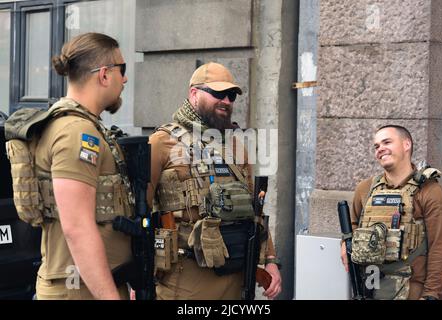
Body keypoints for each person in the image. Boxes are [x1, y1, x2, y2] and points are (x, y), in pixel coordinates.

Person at [7, 33, 133, 299]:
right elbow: (77, 227)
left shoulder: (79, 125)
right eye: (122, 70)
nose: (125, 79)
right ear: (104, 75)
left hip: (87, 286)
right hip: (79, 290)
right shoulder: (77, 132)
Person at [147, 62, 282, 299]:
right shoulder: (162, 142)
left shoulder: (235, 145)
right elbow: (140, 210)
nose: (227, 101)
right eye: (218, 93)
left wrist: (270, 260)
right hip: (185, 278)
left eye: (231, 95)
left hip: (236, 276)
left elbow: (255, 208)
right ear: (194, 93)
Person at [340, 125, 442, 300]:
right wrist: (344, 244)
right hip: (368, 287)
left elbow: (440, 246)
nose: (380, 149)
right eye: (376, 146)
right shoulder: (365, 188)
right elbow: (353, 225)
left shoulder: (429, 191)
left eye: (387, 142)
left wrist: (431, 294)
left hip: (411, 290)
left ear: (406, 145)